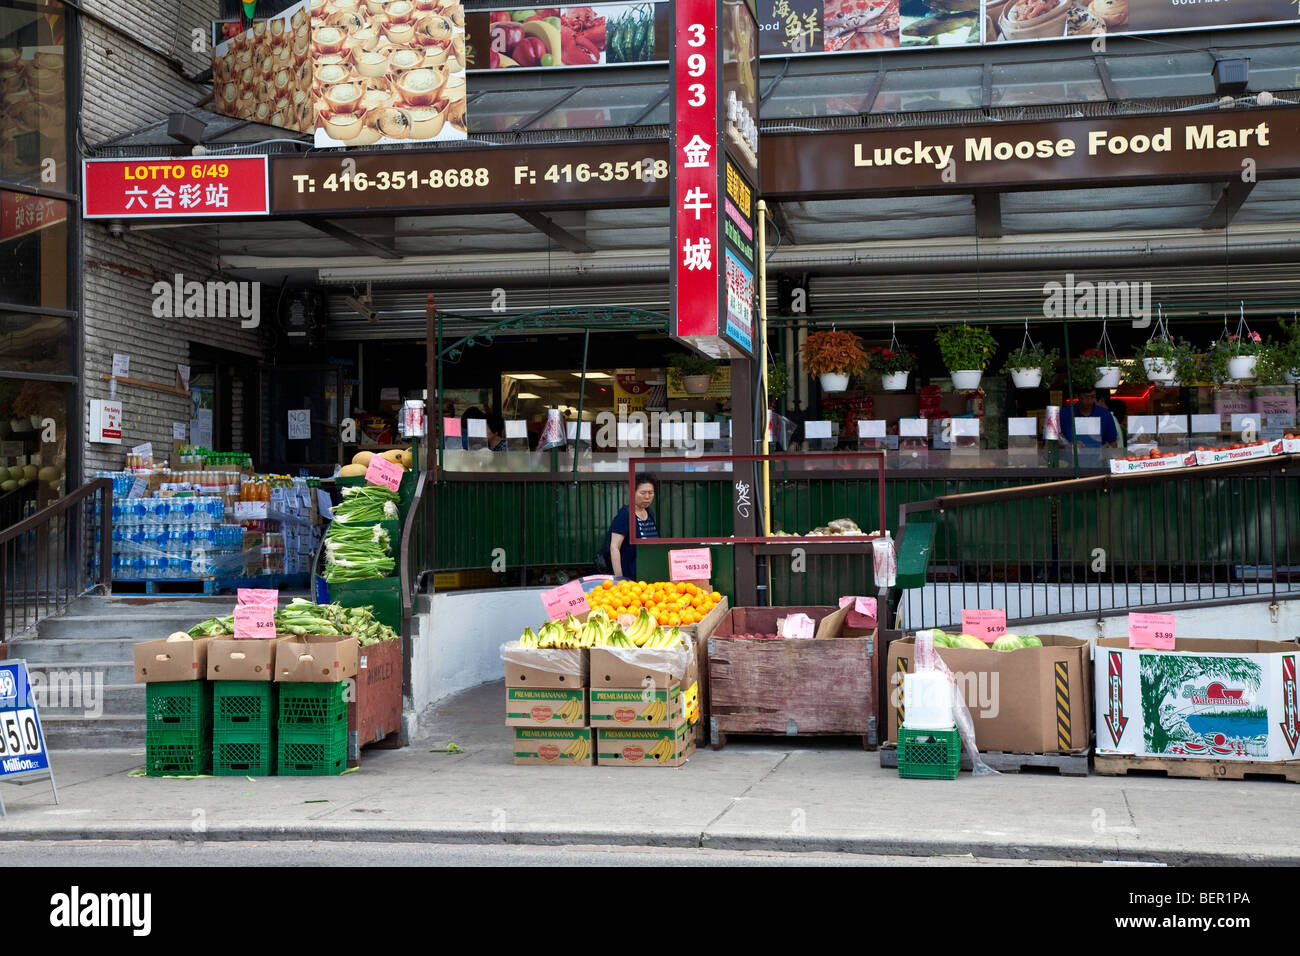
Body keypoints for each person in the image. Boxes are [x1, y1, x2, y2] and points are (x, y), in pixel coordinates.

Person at [603, 473, 659, 580]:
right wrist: (620, 579)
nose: (647, 497)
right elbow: (614, 547)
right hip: (631, 577)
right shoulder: (625, 515)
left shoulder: (650, 513)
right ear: (632, 493)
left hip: (649, 574)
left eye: (650, 493)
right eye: (642, 493)